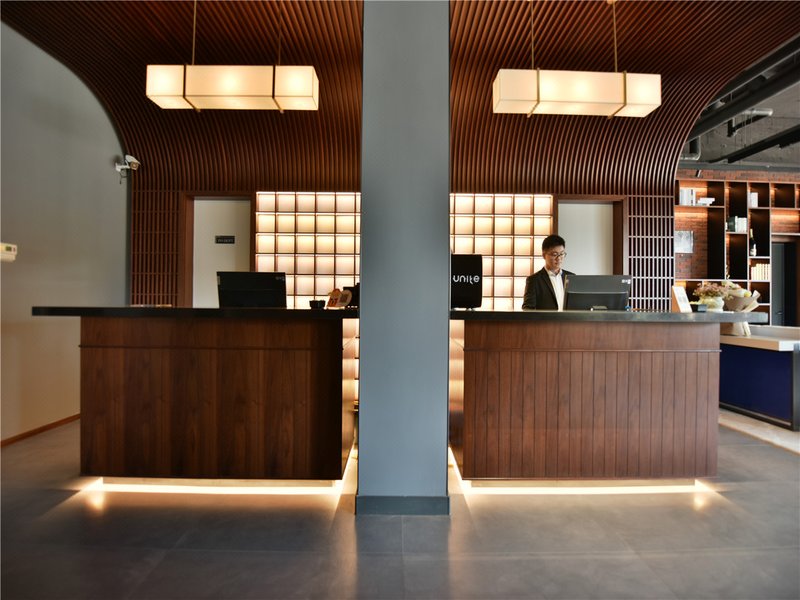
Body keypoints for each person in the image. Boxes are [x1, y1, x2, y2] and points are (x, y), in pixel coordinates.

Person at [522, 234, 573, 310]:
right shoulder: (534, 280)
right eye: (554, 254)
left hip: (570, 318)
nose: (559, 258)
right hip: (544, 318)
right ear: (544, 255)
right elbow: (528, 309)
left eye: (562, 254)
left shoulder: (571, 277)